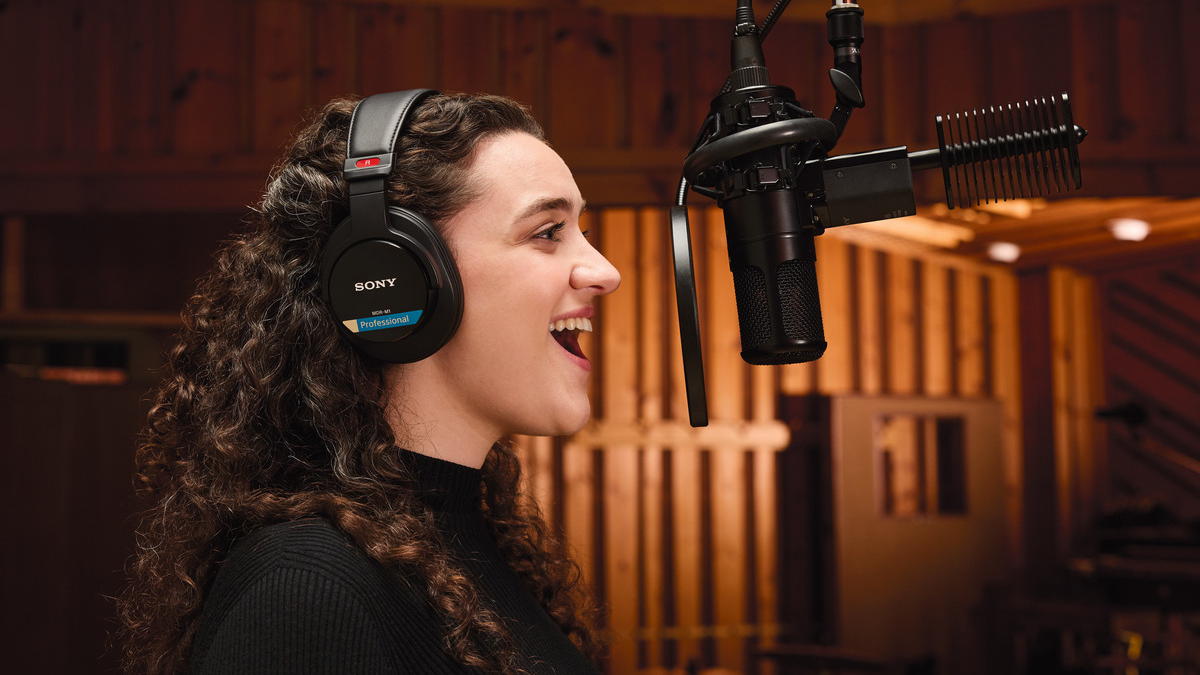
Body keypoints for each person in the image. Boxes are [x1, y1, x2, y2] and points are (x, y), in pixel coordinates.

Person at [116, 90, 621, 675]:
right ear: (393, 276)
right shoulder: (306, 588)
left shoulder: (465, 548)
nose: (604, 271)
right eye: (547, 231)